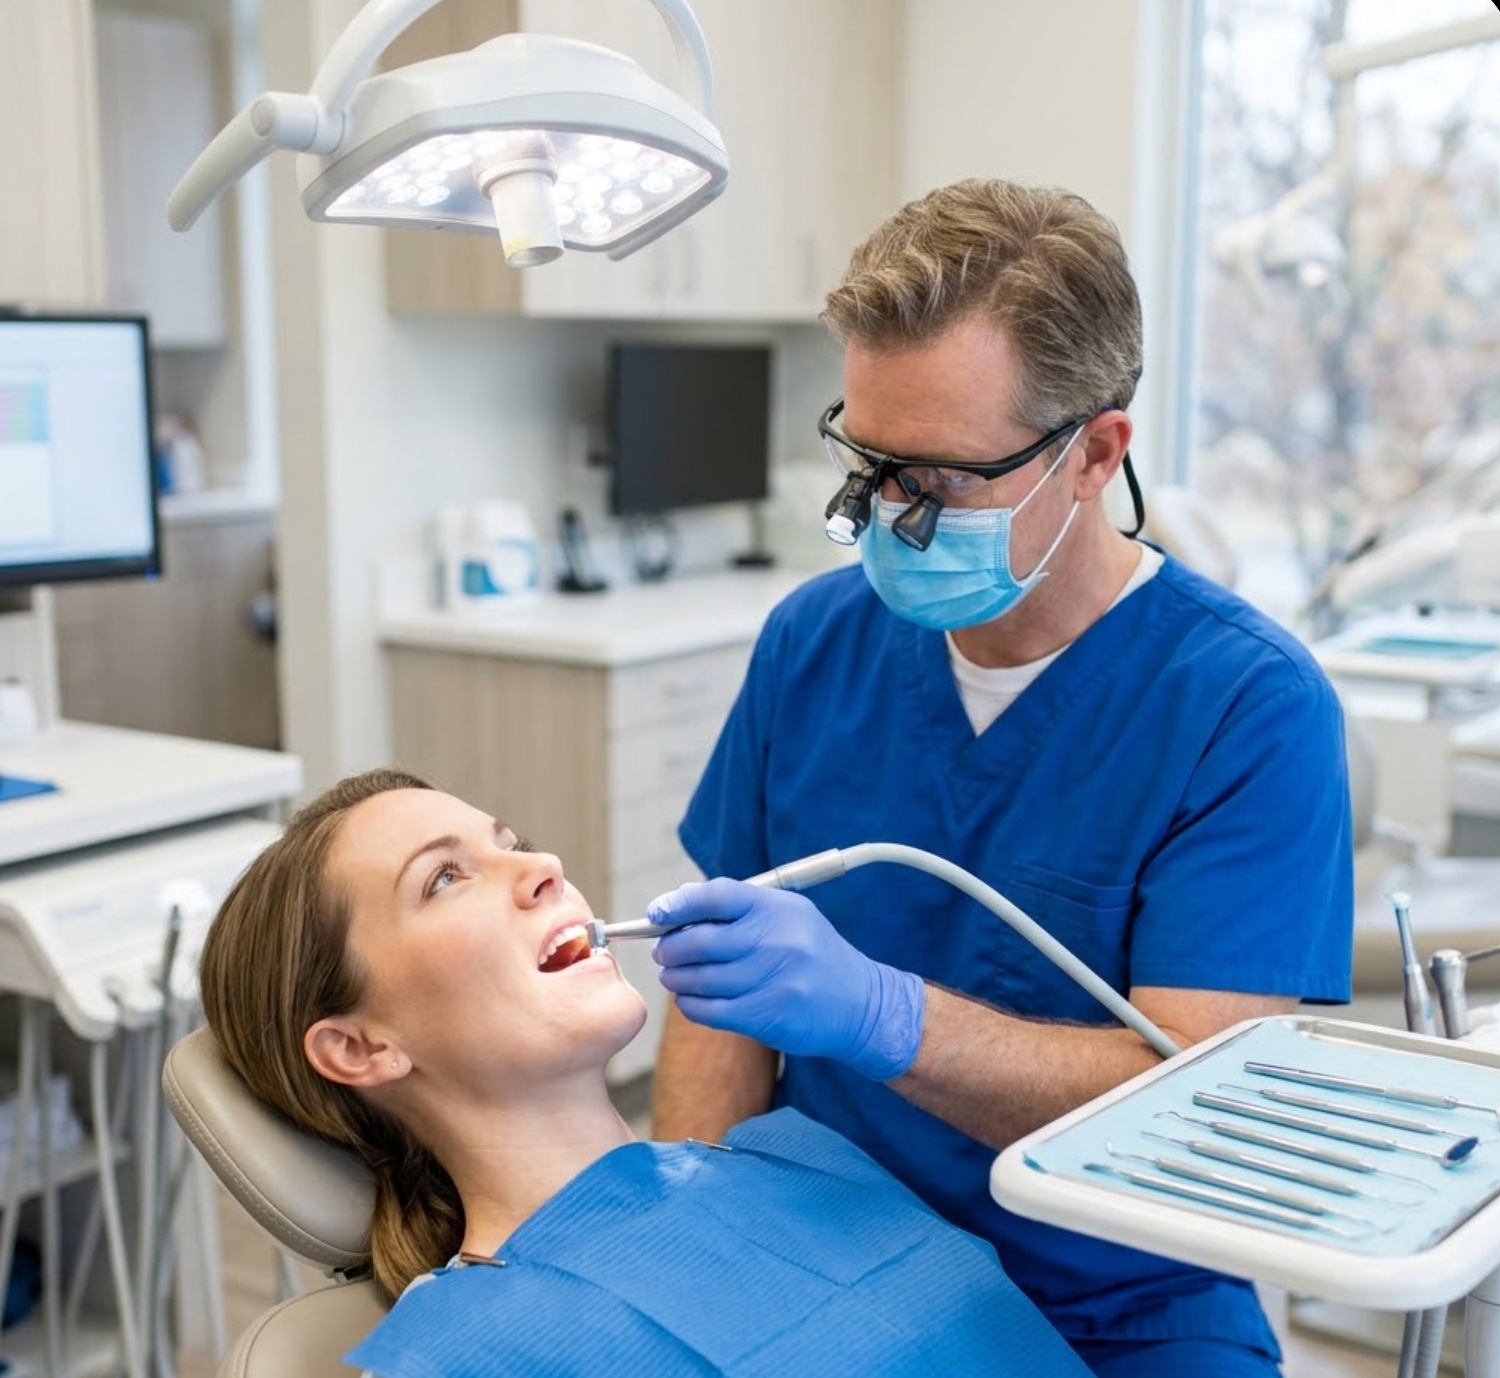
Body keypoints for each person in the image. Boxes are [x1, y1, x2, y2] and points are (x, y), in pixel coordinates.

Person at [648, 178, 1354, 1378]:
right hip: (818, 1250)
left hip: (1111, 1299)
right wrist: (694, 1233)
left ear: (1091, 453)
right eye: (865, 460)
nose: (885, 513)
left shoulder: (1243, 708)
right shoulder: (809, 642)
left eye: (937, 479)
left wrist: (886, 1017)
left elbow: (1193, 1105)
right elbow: (715, 1002)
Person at [196, 767, 1093, 1378]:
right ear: (361, 1048)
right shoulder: (459, 1351)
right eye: (443, 880)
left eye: (512, 841)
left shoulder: (800, 1157)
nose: (543, 868)